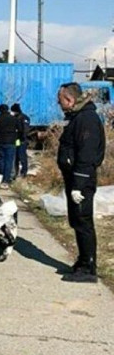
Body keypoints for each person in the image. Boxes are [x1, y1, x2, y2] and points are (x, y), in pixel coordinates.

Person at [56, 82, 106, 283]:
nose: (59, 104)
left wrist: (79, 184)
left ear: (70, 99)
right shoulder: (78, 118)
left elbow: (86, 155)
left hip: (82, 180)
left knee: (83, 221)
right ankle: (83, 261)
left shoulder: (86, 120)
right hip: (75, 178)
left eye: (60, 101)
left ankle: (88, 267)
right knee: (76, 220)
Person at [0, 104, 20, 189]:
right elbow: (21, 129)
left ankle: (2, 176)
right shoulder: (14, 119)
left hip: (0, 141)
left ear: (0, 110)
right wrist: (17, 137)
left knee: (2, 159)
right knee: (9, 160)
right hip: (11, 142)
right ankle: (6, 179)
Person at [11, 103, 31, 178]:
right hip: (16, 140)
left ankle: (24, 172)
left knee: (22, 156)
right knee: (16, 156)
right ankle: (16, 172)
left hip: (22, 140)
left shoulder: (24, 118)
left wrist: (22, 138)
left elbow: (25, 130)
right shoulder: (15, 118)